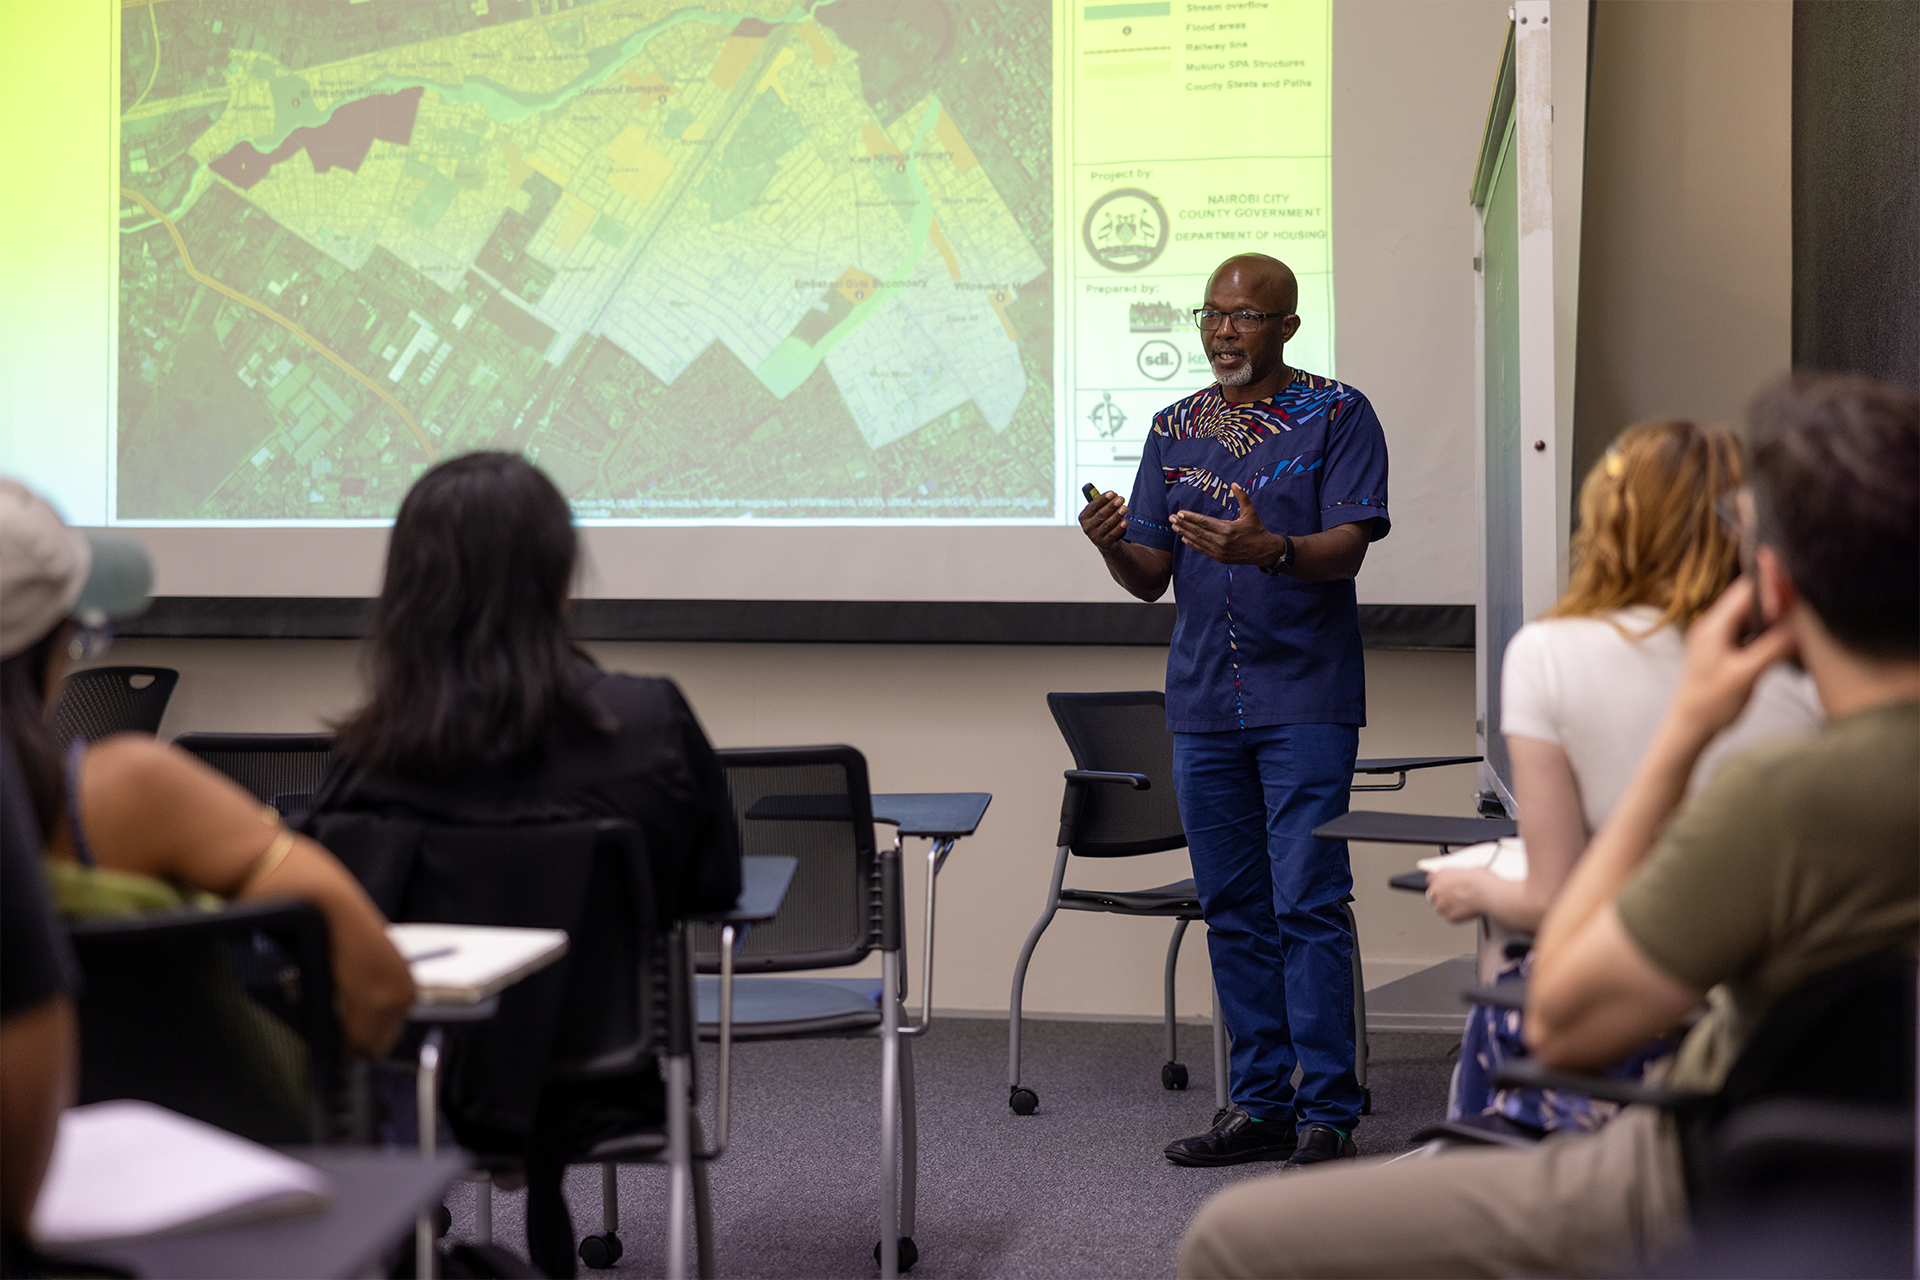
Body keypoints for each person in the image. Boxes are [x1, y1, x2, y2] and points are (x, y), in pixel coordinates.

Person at [1177, 371, 1920, 1280]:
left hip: (1729, 1156)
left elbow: (1568, 1025)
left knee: (1229, 1238)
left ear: (1773, 577)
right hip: (1866, 1161)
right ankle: (1276, 1105)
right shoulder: (1821, 763)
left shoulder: (1786, 796)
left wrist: (1683, 738)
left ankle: (1353, 1116)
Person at [308, 451, 741, 1280]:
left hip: (419, 1083)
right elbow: (713, 887)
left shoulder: (368, 758)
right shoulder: (647, 722)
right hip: (601, 1080)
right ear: (558, 578)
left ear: (405, 590)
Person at [1080, 253, 1390, 1168]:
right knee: (1235, 908)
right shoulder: (1173, 427)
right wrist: (1108, 548)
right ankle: (1260, 1107)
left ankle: (1329, 1109)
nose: (1223, 330)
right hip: (1204, 703)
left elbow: (1348, 550)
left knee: (1308, 903)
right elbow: (1148, 578)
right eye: (1211, 314)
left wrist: (1273, 550)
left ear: (1286, 327)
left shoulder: (1339, 412)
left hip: (1305, 700)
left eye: (1245, 316)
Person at [1425, 421, 1821, 1130]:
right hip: (1782, 1022)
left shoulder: (1548, 653)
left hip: (1626, 1009)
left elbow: (1556, 899)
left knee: (1503, 944)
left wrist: (1475, 886)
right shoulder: (1807, 662)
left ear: (1611, 519)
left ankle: (1516, 1146)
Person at [0, 480, 415, 1060]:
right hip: (211, 1135)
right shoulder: (132, 794)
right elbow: (379, 986)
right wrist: (334, 1103)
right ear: (47, 649)